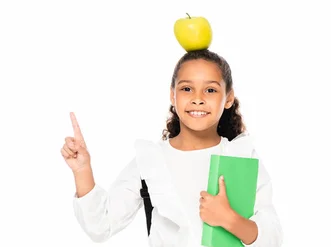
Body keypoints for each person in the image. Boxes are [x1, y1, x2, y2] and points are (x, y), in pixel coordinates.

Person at [61, 49, 283, 247]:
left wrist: (229, 220)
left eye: (211, 90)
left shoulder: (240, 155)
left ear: (228, 98)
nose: (198, 99)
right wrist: (82, 170)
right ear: (172, 96)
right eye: (187, 88)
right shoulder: (151, 160)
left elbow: (272, 237)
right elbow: (101, 226)